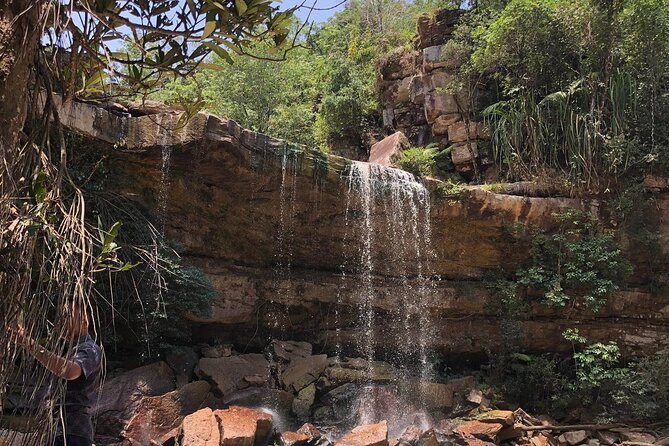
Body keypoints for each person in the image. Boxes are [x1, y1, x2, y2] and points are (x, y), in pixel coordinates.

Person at [9, 306, 102, 446]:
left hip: (72, 432)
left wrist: (28, 343)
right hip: (57, 432)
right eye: (59, 317)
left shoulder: (90, 349)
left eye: (66, 316)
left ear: (84, 320)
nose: (59, 322)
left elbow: (70, 371)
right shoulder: (70, 352)